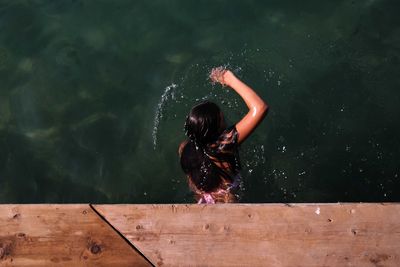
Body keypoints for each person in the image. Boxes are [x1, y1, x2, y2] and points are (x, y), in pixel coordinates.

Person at [179, 67, 268, 204]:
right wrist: (229, 79)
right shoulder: (223, 147)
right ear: (216, 130)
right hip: (226, 196)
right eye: (222, 119)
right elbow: (260, 107)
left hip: (202, 196)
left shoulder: (185, 148)